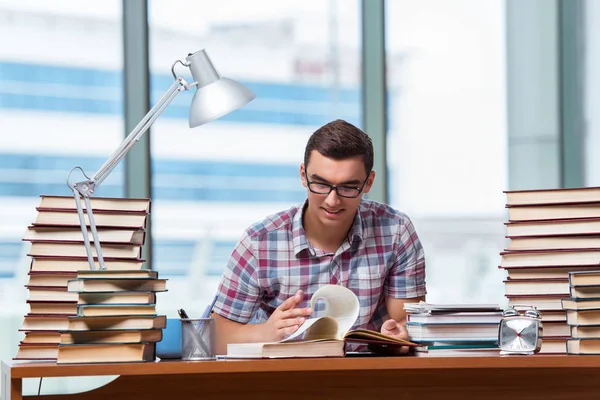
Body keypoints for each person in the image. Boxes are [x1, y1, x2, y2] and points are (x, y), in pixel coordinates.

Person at [212, 119, 426, 354]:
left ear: (369, 182)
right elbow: (215, 336)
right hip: (284, 378)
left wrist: (398, 338)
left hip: (369, 377)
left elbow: (410, 325)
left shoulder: (396, 231)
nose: (332, 200)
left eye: (348, 187)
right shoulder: (259, 242)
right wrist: (265, 333)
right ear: (303, 175)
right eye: (321, 184)